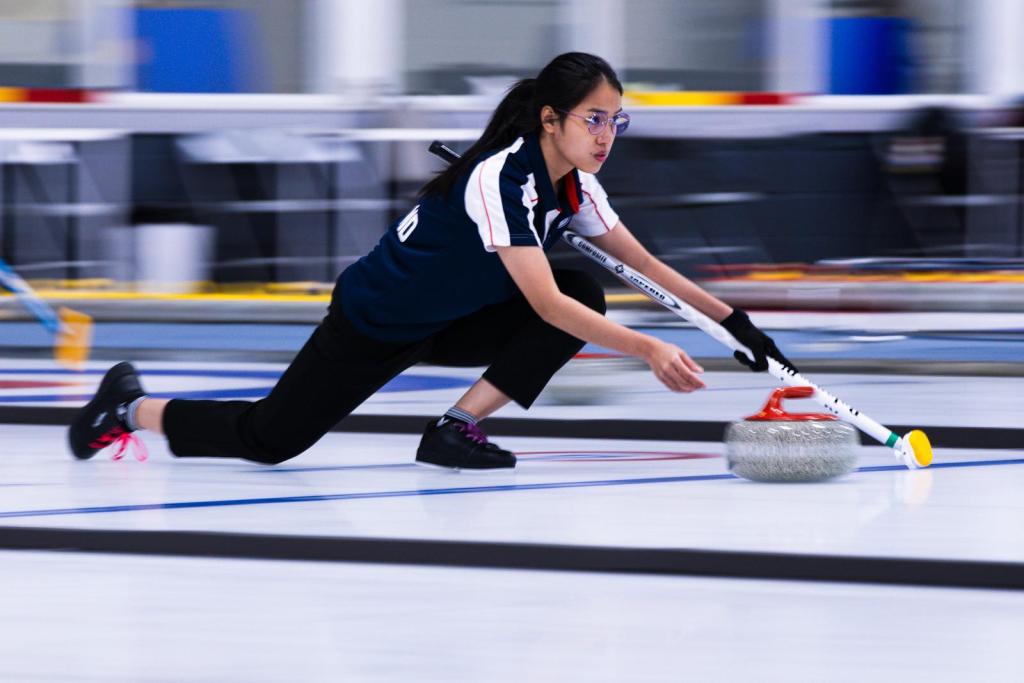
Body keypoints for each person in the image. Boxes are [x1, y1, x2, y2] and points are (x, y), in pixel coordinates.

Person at [68, 52, 795, 471]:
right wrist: (649, 348)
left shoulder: (576, 186)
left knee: (584, 291)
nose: (607, 135)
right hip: (375, 319)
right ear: (551, 120)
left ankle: (454, 428)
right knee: (271, 440)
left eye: (616, 121)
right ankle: (126, 406)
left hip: (455, 319)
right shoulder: (501, 179)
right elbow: (543, 306)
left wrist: (737, 326)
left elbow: (648, 267)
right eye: (593, 119)